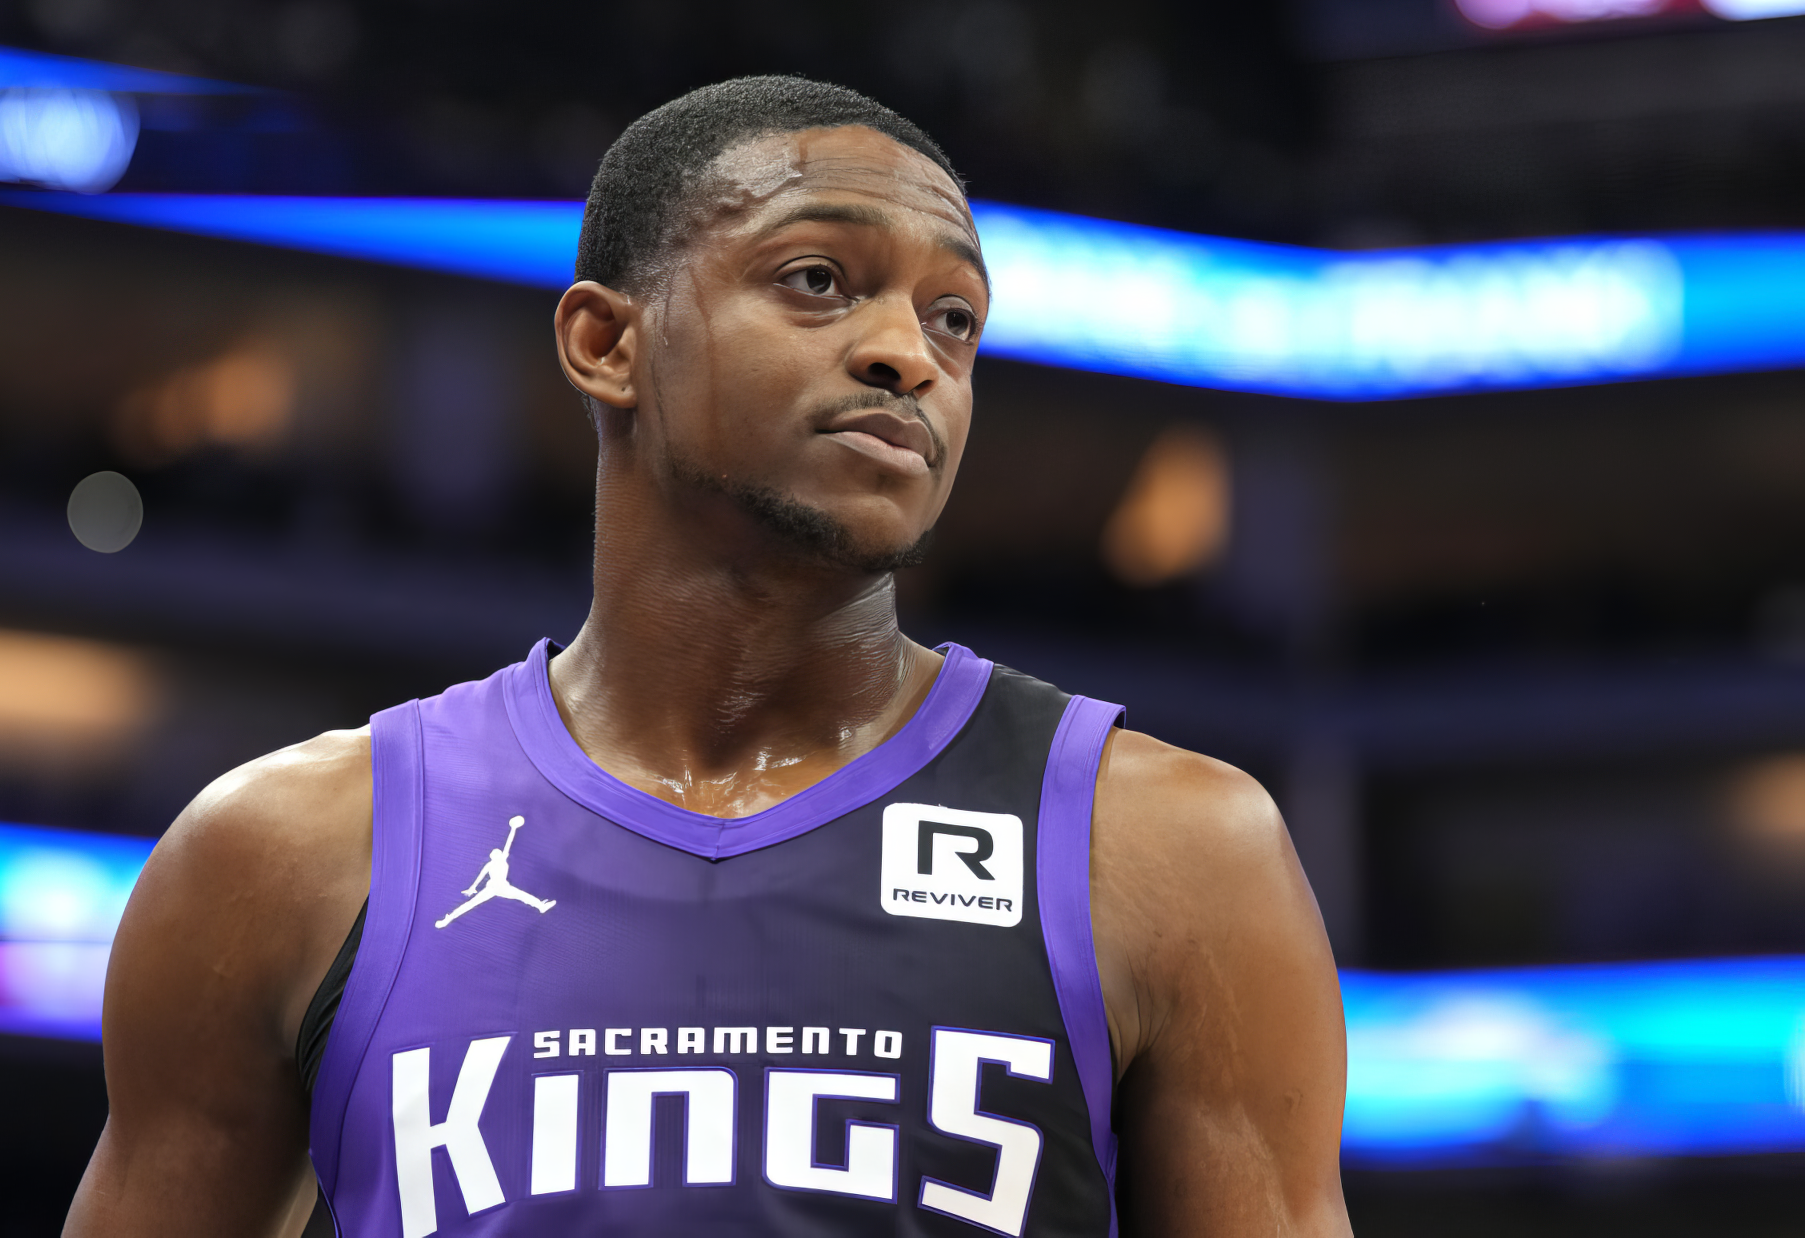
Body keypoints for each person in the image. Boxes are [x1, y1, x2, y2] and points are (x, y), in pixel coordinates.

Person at [65, 77, 1351, 1238]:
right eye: (817, 281)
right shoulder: (282, 855)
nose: (909, 354)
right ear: (606, 343)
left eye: (954, 318)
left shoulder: (1174, 853)